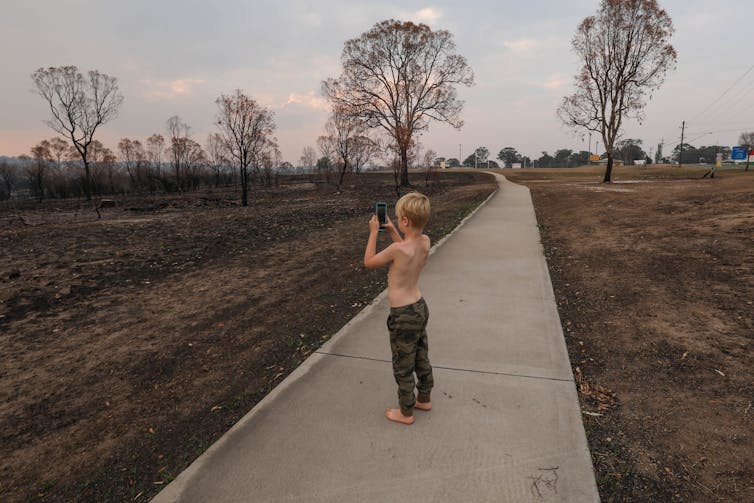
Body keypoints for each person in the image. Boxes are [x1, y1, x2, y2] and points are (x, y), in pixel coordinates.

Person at [364, 192, 434, 425]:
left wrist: (374, 232)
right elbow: (407, 247)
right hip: (420, 307)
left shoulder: (398, 251)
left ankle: (405, 412)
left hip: (403, 315)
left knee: (403, 363)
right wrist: (393, 230)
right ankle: (424, 398)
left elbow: (369, 261)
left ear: (405, 221)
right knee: (421, 355)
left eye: (398, 218)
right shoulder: (425, 242)